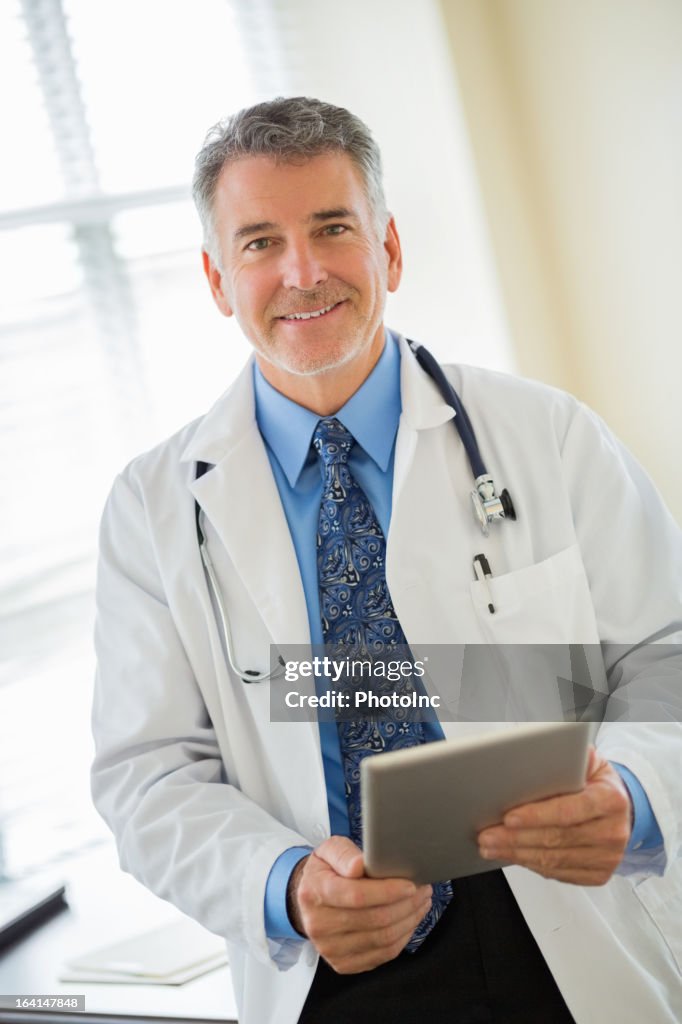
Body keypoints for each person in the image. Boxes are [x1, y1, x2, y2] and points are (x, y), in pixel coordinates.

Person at [91, 97, 682, 1024]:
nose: (302, 271)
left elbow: (665, 656)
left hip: (563, 927)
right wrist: (282, 884)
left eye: (334, 228)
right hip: (331, 955)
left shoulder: (549, 436)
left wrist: (638, 793)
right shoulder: (151, 508)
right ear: (216, 278)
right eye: (258, 243)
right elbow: (148, 773)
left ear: (390, 249)